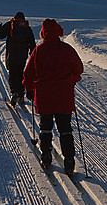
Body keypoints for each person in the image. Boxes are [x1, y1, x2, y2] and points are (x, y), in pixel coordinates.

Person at [22, 18, 85, 175]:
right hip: (64, 95)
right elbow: (78, 69)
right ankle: (69, 160)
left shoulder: (38, 51)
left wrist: (29, 89)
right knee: (65, 129)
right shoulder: (67, 49)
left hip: (44, 96)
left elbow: (28, 74)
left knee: (45, 128)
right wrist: (71, 80)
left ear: (43, 33)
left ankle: (46, 156)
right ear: (59, 31)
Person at [0, 12, 36, 106]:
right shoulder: (27, 28)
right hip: (22, 55)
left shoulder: (10, 25)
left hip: (12, 54)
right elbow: (32, 42)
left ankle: (14, 92)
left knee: (12, 73)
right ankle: (21, 95)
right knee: (20, 73)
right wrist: (32, 54)